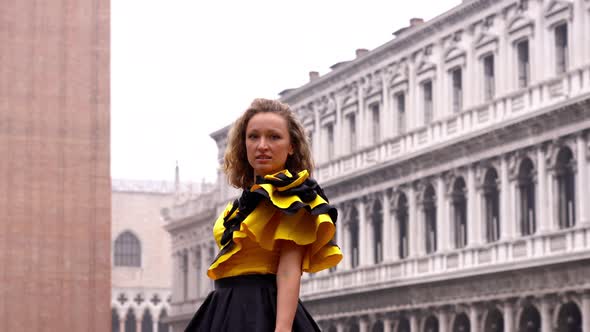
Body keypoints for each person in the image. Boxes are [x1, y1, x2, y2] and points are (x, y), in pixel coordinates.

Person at [184, 98, 342, 332]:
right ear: (243, 144)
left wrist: (282, 329)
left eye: (274, 137)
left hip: (263, 312)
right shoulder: (237, 207)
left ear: (291, 146)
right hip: (221, 308)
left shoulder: (293, 198)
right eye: (253, 136)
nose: (262, 145)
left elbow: (289, 271)